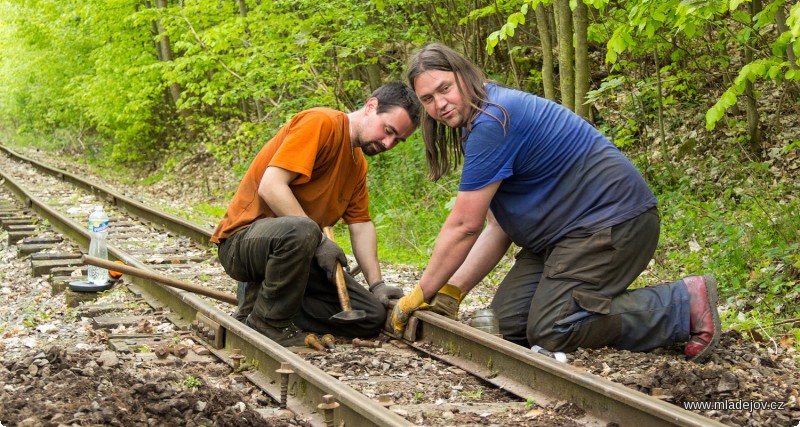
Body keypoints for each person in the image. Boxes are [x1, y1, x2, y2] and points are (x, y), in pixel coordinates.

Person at [391, 43, 720, 363]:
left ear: (464, 75)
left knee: (551, 330)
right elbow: (497, 226)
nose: (440, 104)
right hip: (563, 237)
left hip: (612, 224)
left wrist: (420, 293)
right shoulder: (481, 121)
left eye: (444, 88)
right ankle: (584, 303)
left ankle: (681, 303)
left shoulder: (494, 120)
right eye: (428, 99)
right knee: (508, 328)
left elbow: (465, 225)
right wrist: (451, 291)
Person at [213, 82, 420, 346]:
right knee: (303, 229)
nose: (388, 143)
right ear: (371, 107)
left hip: (299, 255)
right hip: (243, 244)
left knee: (370, 316)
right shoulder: (321, 123)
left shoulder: (358, 164)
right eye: (388, 130)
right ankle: (266, 324)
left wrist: (377, 284)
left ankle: (266, 304)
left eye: (397, 140)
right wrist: (321, 241)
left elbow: (361, 225)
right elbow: (271, 186)